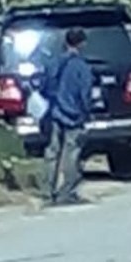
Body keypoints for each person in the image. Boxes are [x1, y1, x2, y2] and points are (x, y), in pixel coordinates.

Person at [42, 27, 95, 205]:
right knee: (71, 153)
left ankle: (47, 191)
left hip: (55, 112)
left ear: (66, 42)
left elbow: (45, 86)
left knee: (52, 152)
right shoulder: (82, 66)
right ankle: (67, 192)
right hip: (74, 114)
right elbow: (85, 93)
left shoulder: (54, 62)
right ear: (83, 44)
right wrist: (87, 112)